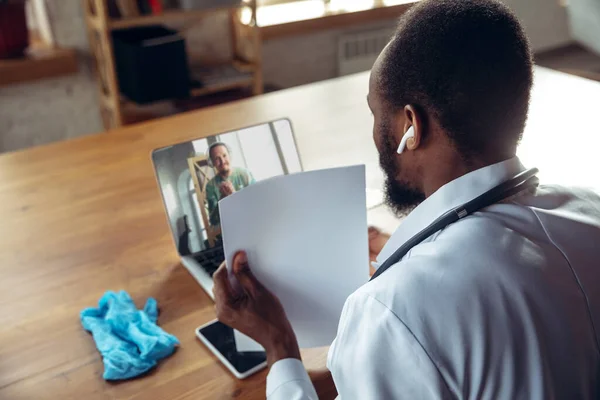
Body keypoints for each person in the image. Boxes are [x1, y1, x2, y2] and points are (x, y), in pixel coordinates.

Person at [213, 0, 600, 398]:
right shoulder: (591, 210)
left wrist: (280, 347)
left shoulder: (394, 312)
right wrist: (399, 251)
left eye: (375, 113)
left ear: (410, 127)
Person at [204, 142, 255, 227]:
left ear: (229, 156)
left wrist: (234, 195)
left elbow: (257, 202)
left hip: (252, 223)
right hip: (232, 229)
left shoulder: (245, 174)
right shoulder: (211, 186)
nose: (222, 161)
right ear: (212, 162)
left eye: (224, 156)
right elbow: (213, 220)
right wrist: (222, 200)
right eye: (217, 158)